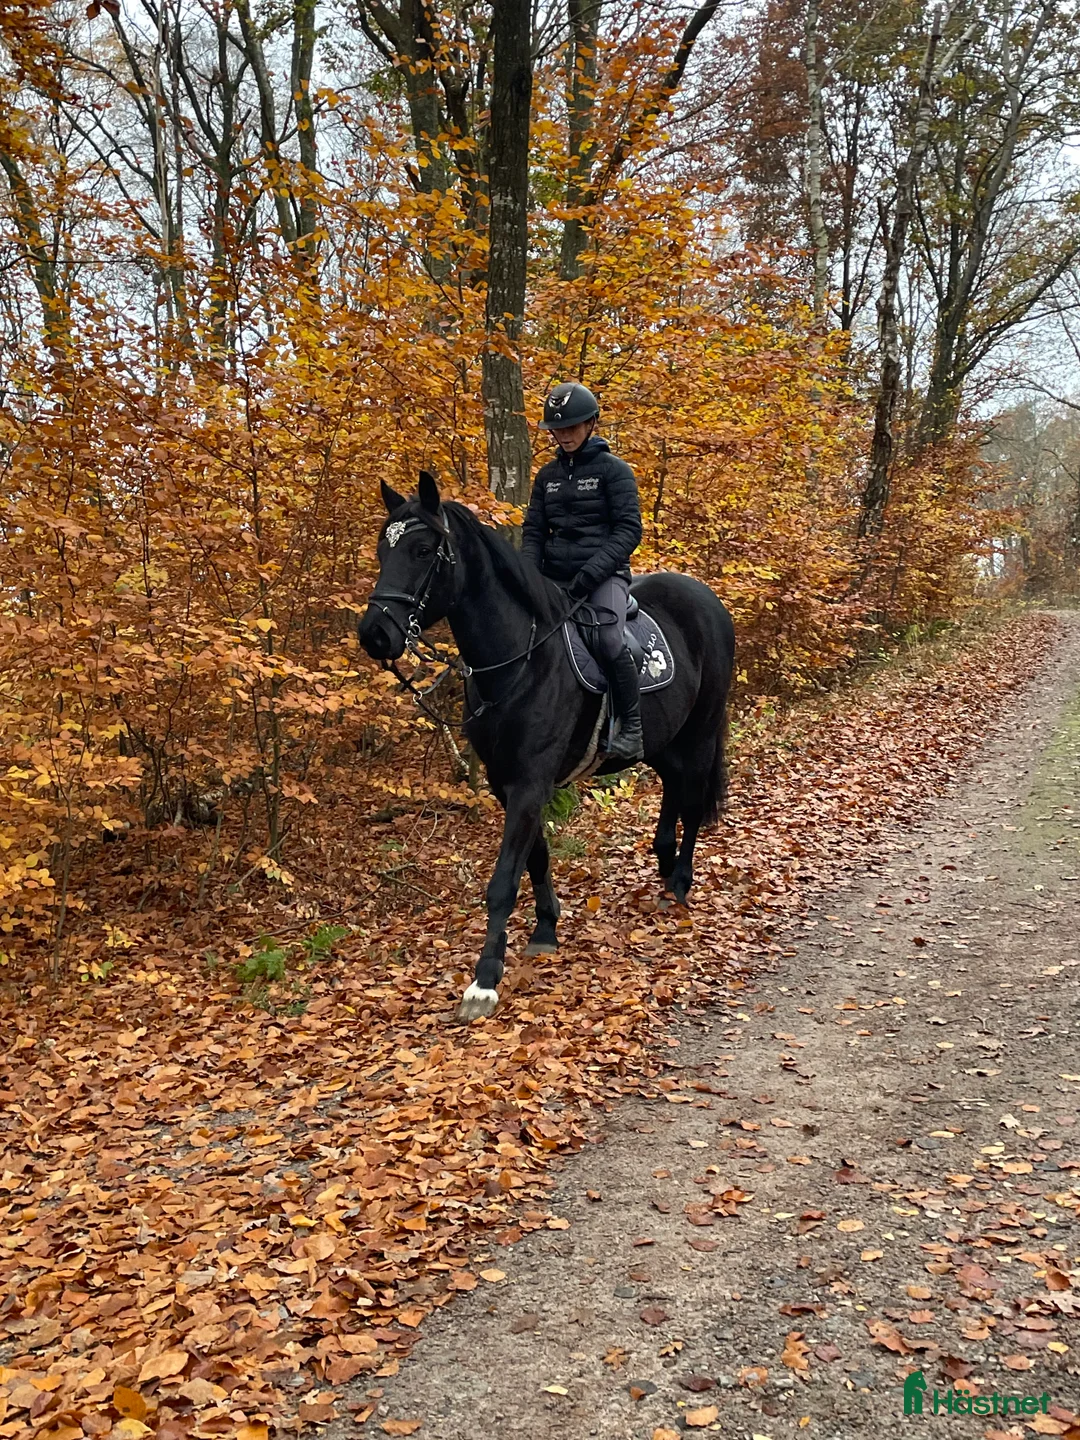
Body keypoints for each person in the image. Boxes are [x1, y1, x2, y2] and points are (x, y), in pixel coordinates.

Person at [521, 382, 645, 763]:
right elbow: (534, 531)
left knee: (608, 640)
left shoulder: (614, 471)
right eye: (557, 429)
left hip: (603, 576)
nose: (564, 435)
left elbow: (629, 530)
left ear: (591, 423)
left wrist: (591, 574)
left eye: (572, 427)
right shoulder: (547, 477)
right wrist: (528, 578)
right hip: (554, 576)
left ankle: (632, 729)